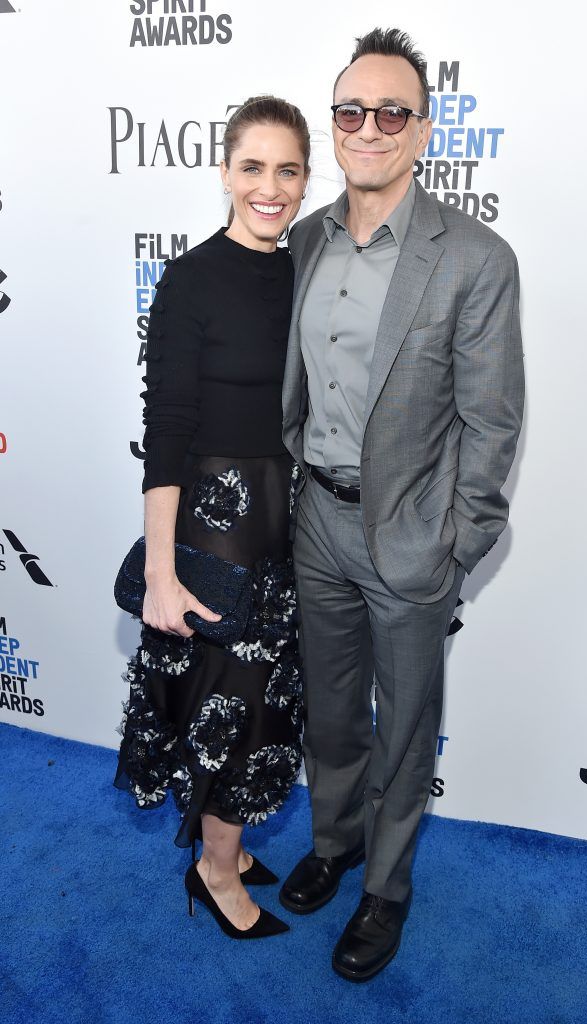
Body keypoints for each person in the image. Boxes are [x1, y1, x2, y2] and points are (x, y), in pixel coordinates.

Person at [280, 28, 525, 979]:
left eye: (392, 112)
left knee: (405, 719)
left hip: (411, 537)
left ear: (423, 131)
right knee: (334, 712)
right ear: (332, 125)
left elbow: (492, 423)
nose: (368, 126)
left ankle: (384, 886)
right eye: (351, 110)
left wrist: (453, 546)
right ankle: (333, 842)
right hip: (316, 522)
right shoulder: (303, 239)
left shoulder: (473, 258)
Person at [115, 95, 310, 940]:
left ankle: (217, 838)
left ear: (305, 180)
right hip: (216, 521)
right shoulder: (191, 279)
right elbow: (166, 432)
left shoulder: (305, 269)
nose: (270, 187)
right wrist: (160, 570)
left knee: (264, 700)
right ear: (225, 172)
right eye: (253, 166)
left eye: (289, 169)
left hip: (288, 516)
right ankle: (215, 866)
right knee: (231, 701)